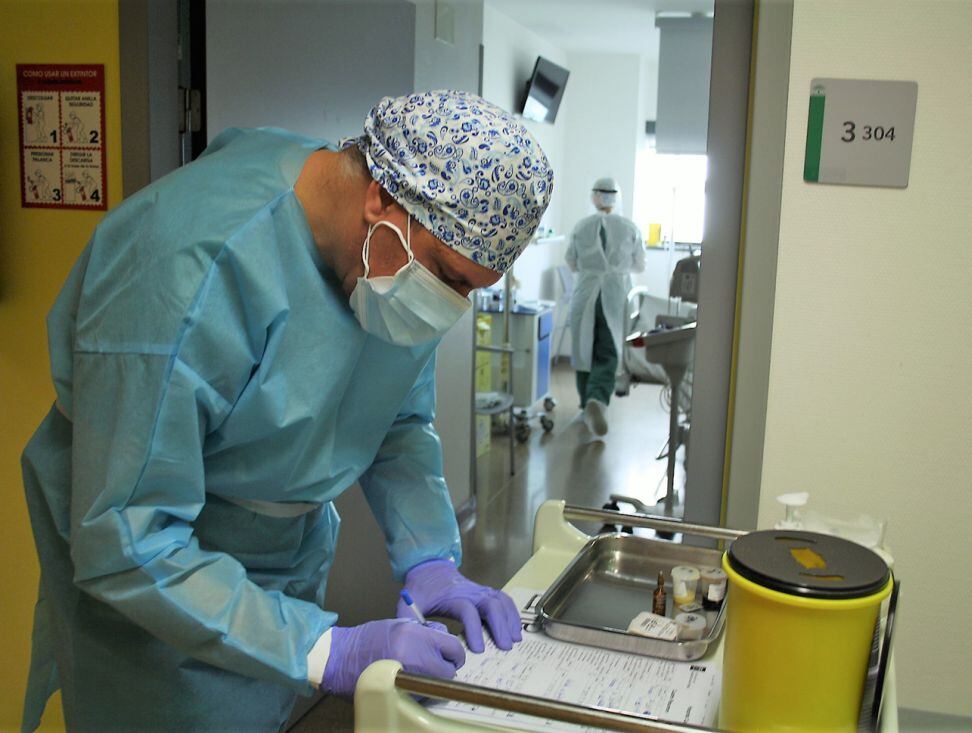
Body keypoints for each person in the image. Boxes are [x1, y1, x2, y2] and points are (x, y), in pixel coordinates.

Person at [20, 90, 553, 732]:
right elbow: (129, 537)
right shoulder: (187, 263)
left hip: (283, 556)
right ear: (381, 199)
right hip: (158, 588)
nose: (450, 304)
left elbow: (396, 424)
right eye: (451, 278)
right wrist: (325, 647)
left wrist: (431, 559)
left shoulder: (397, 265)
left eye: (470, 288)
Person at [564, 177, 645, 435]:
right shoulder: (629, 227)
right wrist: (616, 270)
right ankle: (596, 399)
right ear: (617, 197)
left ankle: (584, 405)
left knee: (583, 350)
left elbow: (572, 262)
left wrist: (593, 269)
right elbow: (639, 265)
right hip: (615, 293)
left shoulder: (581, 227)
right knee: (608, 351)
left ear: (593, 197)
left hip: (586, 293)